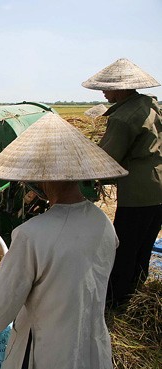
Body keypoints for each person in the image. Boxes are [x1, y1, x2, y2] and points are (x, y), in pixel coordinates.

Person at [0, 113, 128, 369]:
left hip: (45, 355)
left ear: (41, 178)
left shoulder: (31, 234)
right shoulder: (102, 222)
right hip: (92, 347)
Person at [82, 58, 162, 307]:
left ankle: (114, 301)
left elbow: (105, 161)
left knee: (124, 247)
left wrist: (80, 172)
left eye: (106, 87)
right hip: (158, 185)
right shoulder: (149, 103)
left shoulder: (123, 117)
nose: (103, 92)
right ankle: (137, 292)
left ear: (122, 88)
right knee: (144, 244)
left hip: (138, 192)